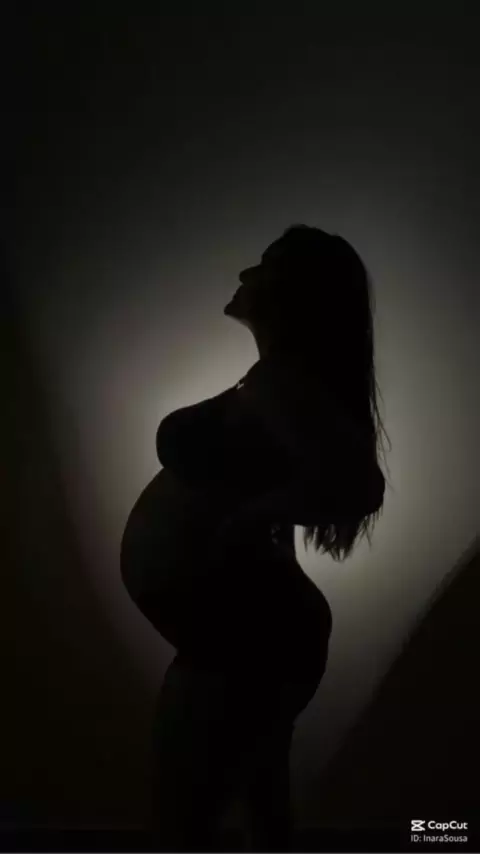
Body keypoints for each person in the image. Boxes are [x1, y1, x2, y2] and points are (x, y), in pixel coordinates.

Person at [120, 224, 389, 851]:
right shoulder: (274, 382)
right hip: (247, 635)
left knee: (183, 822)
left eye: (264, 264)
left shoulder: (280, 386)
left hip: (245, 639)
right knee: (261, 814)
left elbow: (359, 487)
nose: (245, 274)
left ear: (296, 292)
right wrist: (256, 517)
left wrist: (248, 519)